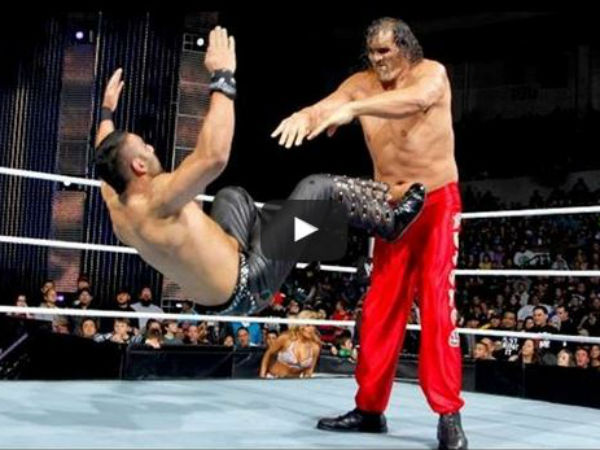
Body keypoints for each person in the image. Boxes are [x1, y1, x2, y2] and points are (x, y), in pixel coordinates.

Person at [95, 27, 424, 317]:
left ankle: (287, 235)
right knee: (318, 190)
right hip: (250, 287)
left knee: (232, 196)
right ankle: (389, 221)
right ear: (138, 167)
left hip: (216, 291)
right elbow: (213, 157)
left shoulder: (116, 201)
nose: (151, 147)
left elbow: (105, 152)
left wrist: (107, 110)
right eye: (144, 147)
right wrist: (223, 75)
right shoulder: (160, 198)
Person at [272, 17, 466, 448]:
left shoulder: (431, 74)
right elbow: (328, 106)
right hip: (389, 209)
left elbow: (416, 100)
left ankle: (448, 413)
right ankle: (370, 409)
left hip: (436, 203)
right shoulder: (360, 84)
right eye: (372, 52)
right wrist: (306, 115)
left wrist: (356, 110)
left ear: (405, 47)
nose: (378, 60)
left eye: (385, 51)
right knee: (379, 309)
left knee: (437, 306)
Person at [259, 310, 321, 378]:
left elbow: (309, 371)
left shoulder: (314, 347)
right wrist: (262, 375)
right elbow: (268, 354)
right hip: (274, 377)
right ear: (300, 325)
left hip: (294, 381)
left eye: (314, 325)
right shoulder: (286, 338)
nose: (311, 329)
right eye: (308, 325)